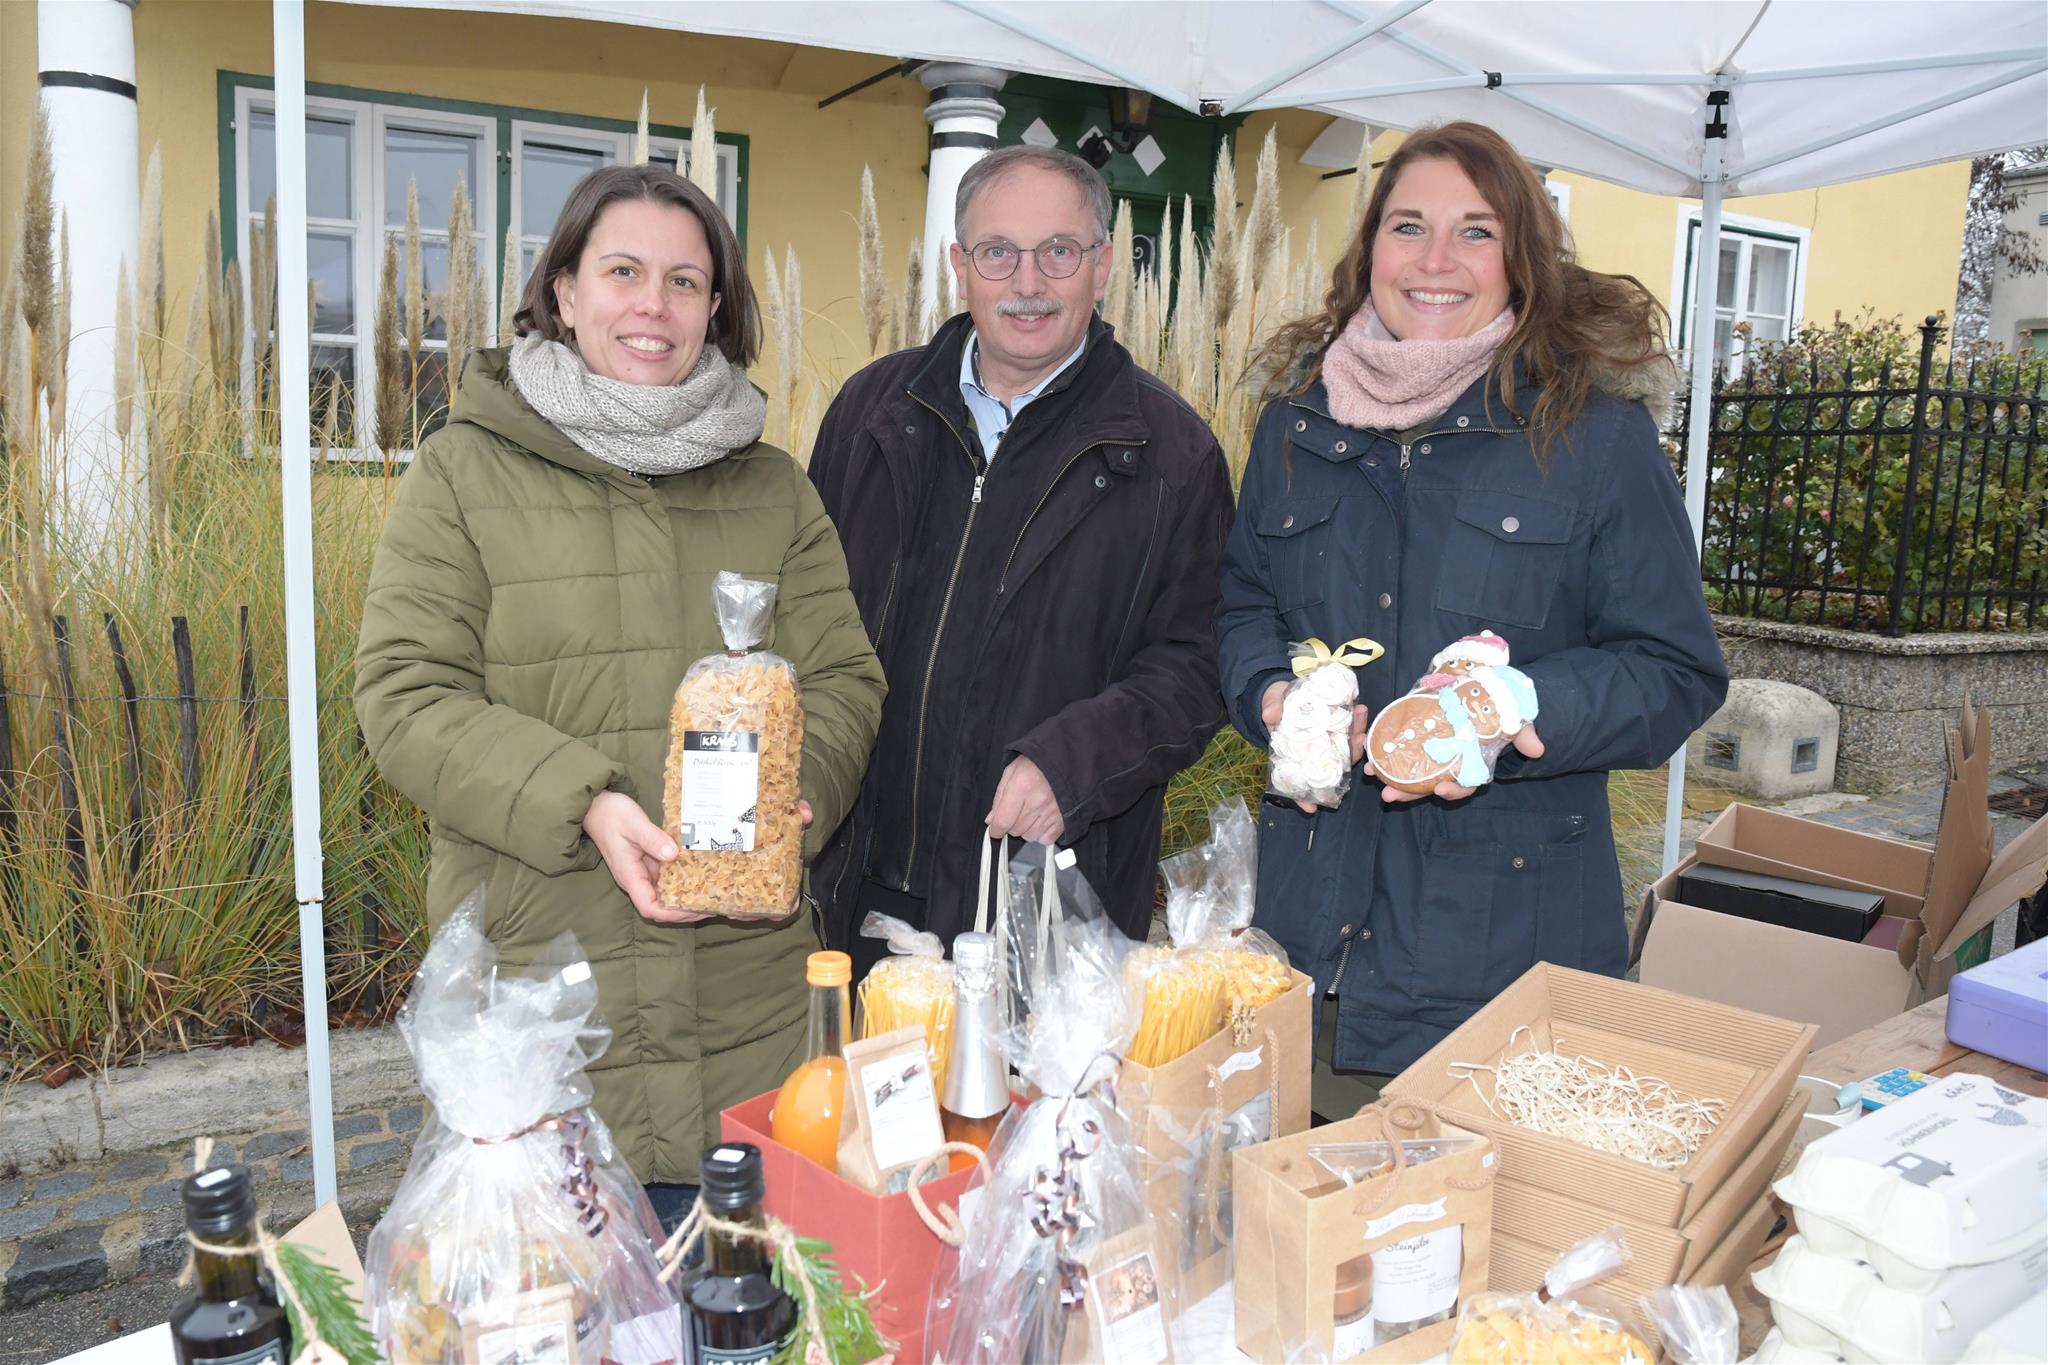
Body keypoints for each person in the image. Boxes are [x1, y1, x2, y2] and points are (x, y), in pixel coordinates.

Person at [354, 165, 886, 1220]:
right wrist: (585, 802)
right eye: (624, 272)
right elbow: (404, 693)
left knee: (742, 1285)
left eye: (685, 282)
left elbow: (843, 679)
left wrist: (796, 799)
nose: (654, 305)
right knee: (560, 1289)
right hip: (543, 993)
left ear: (716, 308)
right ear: (563, 291)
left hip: (746, 1001)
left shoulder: (772, 488)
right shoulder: (462, 472)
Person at [1215, 122, 1727, 1117]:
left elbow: (1674, 669)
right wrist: (1274, 695)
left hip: (1499, 963)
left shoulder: (1593, 436)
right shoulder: (1295, 423)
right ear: (1370, 248)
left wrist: (1516, 705)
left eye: (1475, 231)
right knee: (1296, 1201)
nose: (1435, 260)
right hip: (1304, 952)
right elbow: (1242, 604)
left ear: (1522, 257)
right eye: (1407, 226)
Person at [807, 145, 1232, 970]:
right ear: (960, 266)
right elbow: (808, 615)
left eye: (1059, 251)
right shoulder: (870, 412)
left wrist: (1072, 763)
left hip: (1039, 905)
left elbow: (1197, 664)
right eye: (998, 251)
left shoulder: (1171, 452)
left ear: (1103, 266)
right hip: (851, 883)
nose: (1028, 281)